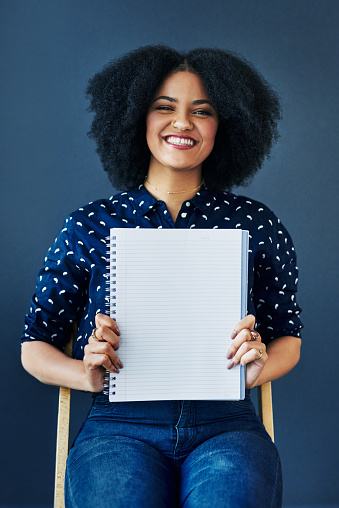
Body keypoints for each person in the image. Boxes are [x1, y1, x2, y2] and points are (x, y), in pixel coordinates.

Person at [21, 45, 303, 507]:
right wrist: (87, 374)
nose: (183, 123)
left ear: (225, 126)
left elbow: (287, 337)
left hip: (226, 423)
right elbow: (34, 346)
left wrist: (256, 370)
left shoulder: (255, 224)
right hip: (119, 426)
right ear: (136, 118)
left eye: (203, 111)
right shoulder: (90, 224)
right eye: (164, 107)